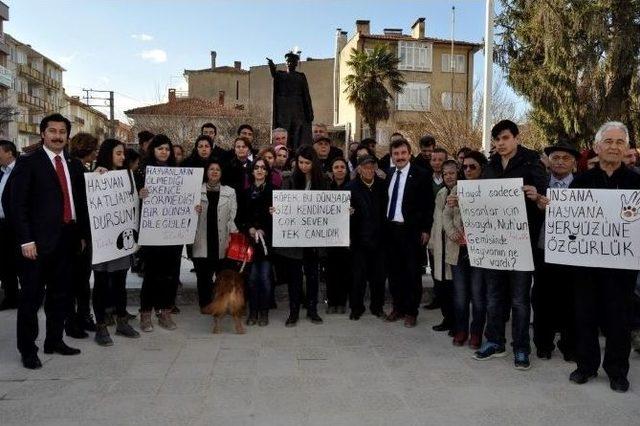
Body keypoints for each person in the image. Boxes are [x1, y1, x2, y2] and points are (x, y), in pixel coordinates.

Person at [563, 122, 640, 392]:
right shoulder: (581, 181)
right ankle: (586, 366)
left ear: (627, 148)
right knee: (585, 316)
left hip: (623, 267)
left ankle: (617, 371)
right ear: (597, 147)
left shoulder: (636, 182)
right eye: (609, 141)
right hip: (587, 266)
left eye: (620, 142)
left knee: (619, 319)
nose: (614, 146)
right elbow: (570, 220)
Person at [8, 113, 89, 369]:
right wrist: (26, 240)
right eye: (52, 131)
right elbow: (14, 203)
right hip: (37, 245)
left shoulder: (74, 165)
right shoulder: (28, 163)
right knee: (31, 299)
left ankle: (54, 340)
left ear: (68, 135)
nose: (57, 136)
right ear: (43, 134)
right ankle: (28, 350)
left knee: (61, 295)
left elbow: (82, 202)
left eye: (62, 131)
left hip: (67, 241)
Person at [473, 119, 547, 371]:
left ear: (515, 137)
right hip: (495, 244)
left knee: (519, 300)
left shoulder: (531, 162)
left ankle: (522, 348)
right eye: (497, 140)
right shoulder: (491, 165)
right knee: (494, 297)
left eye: (505, 138)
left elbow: (544, 200)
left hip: (521, 244)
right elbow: (482, 198)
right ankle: (495, 341)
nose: (500, 143)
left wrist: (536, 196)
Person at [531, 140, 580, 361]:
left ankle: (569, 344)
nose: (560, 162)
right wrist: (538, 207)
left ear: (574, 163)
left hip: (573, 252)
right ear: (548, 161)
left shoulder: (583, 186)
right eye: (555, 158)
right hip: (543, 250)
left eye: (565, 158)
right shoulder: (539, 185)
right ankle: (543, 343)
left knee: (571, 299)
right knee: (542, 298)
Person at [91, 139, 140, 346]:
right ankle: (101, 325)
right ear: (107, 154)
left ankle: (121, 321)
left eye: (123, 154)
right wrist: (96, 178)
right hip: (102, 241)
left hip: (121, 239)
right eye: (118, 153)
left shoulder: (129, 176)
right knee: (101, 283)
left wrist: (140, 195)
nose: (122, 157)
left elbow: (131, 203)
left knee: (120, 283)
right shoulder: (95, 175)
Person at [384, 138, 434, 328]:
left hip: (411, 231)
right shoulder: (389, 174)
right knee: (394, 273)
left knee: (412, 274)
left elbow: (428, 205)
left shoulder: (421, 174)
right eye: (396, 154)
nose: (400, 157)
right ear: (392, 156)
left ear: (410, 154)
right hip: (391, 230)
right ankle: (398, 308)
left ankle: (411, 312)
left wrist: (426, 229)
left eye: (403, 153)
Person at [276, 145, 326, 326]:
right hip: (294, 240)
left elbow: (329, 208)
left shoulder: (322, 182)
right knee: (294, 278)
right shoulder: (288, 180)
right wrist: (276, 209)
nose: (304, 166)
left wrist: (344, 211)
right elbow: (282, 203)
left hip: (314, 239)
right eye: (301, 162)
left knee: (313, 276)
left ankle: (313, 310)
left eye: (307, 163)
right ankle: (294, 312)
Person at [138, 134, 184, 332]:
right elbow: (133, 200)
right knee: (151, 274)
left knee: (169, 275)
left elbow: (184, 198)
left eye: (167, 149)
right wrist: (140, 195)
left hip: (172, 234)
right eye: (160, 149)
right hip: (151, 233)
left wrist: (194, 206)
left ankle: (165, 312)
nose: (164, 152)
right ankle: (146, 314)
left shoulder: (179, 173)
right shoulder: (142, 173)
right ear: (153, 151)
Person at [443, 150, 488, 349]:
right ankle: (461, 330)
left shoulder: (489, 189)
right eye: (465, 167)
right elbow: (446, 215)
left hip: (480, 251)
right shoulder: (457, 189)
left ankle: (476, 332)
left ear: (481, 169)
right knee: (460, 295)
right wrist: (452, 232)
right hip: (459, 250)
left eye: (473, 167)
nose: (468, 170)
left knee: (478, 296)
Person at [65, 132, 100, 338]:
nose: (95, 153)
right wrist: (82, 236)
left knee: (80, 280)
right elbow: (79, 205)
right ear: (86, 149)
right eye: (93, 149)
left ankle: (81, 317)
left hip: (80, 234)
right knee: (79, 280)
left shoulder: (76, 167)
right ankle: (78, 320)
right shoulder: (76, 169)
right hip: (79, 235)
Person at [192, 159, 238, 310]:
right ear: (206, 172)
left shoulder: (229, 192)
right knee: (203, 276)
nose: (214, 172)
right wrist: (193, 211)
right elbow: (187, 215)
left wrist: (233, 234)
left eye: (217, 169)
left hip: (222, 239)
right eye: (211, 169)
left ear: (221, 173)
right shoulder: (196, 190)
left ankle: (222, 304)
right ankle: (205, 305)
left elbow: (233, 216)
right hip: (202, 238)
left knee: (223, 276)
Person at [348, 155, 387, 320]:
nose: (369, 170)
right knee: (358, 277)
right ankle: (356, 307)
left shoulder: (383, 186)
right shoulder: (350, 187)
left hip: (379, 240)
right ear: (359, 169)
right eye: (365, 167)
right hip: (359, 240)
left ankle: (377, 307)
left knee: (378, 277)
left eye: (372, 167)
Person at [241, 157, 274, 326]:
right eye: (256, 167)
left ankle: (264, 312)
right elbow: (240, 218)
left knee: (265, 278)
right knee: (252, 278)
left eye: (263, 168)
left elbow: (280, 219)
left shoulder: (275, 191)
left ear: (267, 172)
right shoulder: (245, 193)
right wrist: (250, 228)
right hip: (251, 244)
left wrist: (265, 228)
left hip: (267, 243)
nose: (260, 170)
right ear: (252, 171)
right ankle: (253, 312)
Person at [428, 160, 458, 334]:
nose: (448, 176)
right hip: (439, 244)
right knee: (442, 287)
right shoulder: (441, 193)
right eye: (445, 174)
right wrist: (432, 243)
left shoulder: (461, 192)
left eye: (452, 173)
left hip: (454, 246)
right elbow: (435, 219)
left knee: (455, 288)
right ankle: (447, 319)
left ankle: (457, 323)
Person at [267, 52, 314, 150]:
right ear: (285, 62)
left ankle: (297, 151)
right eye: (288, 61)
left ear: (296, 63)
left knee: (298, 132)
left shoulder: (300, 76)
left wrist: (309, 111)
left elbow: (306, 94)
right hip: (283, 110)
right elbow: (274, 75)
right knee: (284, 131)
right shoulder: (280, 75)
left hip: (298, 109)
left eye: (292, 61)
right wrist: (271, 66)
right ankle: (283, 151)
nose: (289, 63)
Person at [326, 157, 351, 314]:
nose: (340, 169)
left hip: (346, 236)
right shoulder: (326, 187)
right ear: (332, 170)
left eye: (342, 166)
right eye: (336, 167)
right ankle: (331, 302)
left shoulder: (352, 187)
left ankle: (342, 302)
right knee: (330, 271)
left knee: (345, 270)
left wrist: (353, 212)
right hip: (328, 236)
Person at [0, 140, 19, 310]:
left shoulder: (21, 171)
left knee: (19, 262)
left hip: (16, 225)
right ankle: (10, 297)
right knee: (5, 263)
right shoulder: (2, 172)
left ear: (9, 153)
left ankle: (28, 297)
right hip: (2, 225)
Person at [223, 137, 253, 203]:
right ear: (235, 150)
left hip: (250, 202)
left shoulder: (253, 166)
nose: (241, 149)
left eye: (244, 147)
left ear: (249, 150)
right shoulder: (227, 166)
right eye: (238, 147)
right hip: (232, 201)